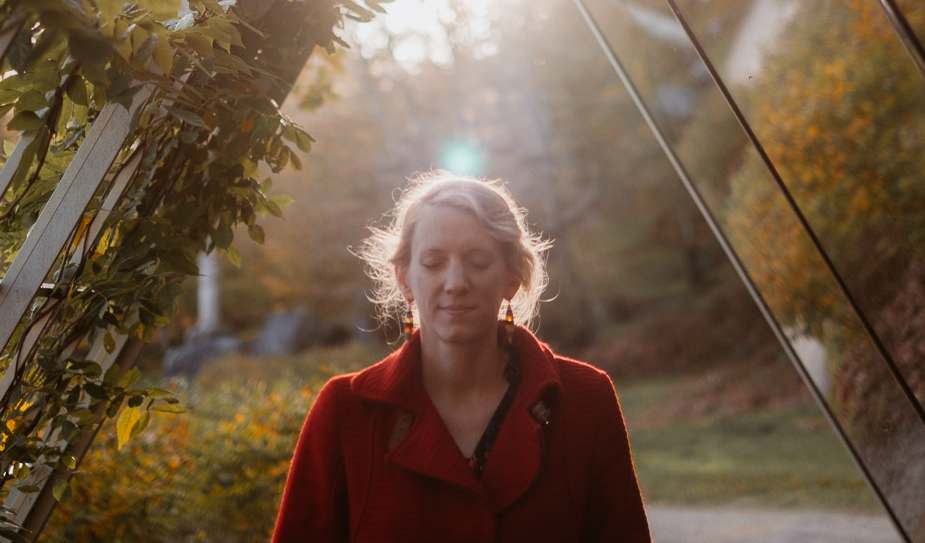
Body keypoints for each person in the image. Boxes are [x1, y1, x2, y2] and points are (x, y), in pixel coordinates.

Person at [271, 172, 652, 542]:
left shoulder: (586, 400)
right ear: (404, 279)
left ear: (512, 277)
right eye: (434, 263)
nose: (455, 283)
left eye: (478, 262)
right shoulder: (344, 413)